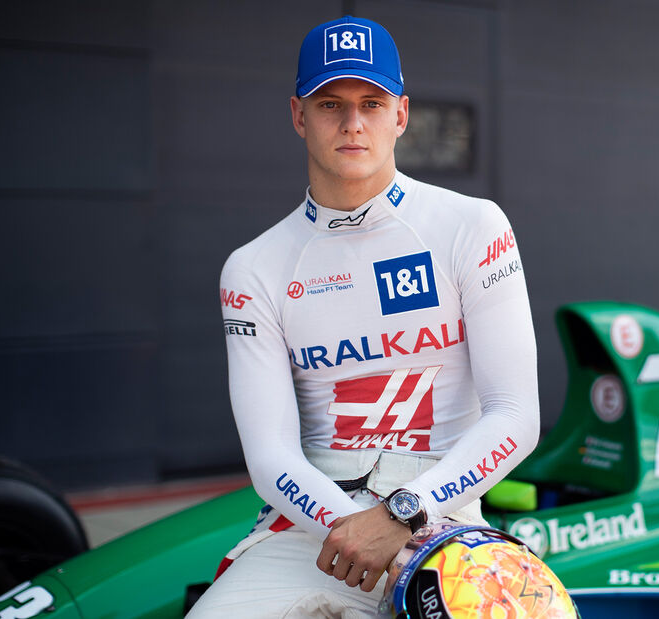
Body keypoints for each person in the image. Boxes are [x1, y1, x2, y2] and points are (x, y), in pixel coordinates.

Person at [188, 14, 539, 618]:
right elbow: (271, 458)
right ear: (299, 115)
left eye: (371, 103)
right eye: (331, 104)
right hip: (313, 528)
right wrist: (359, 527)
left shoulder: (474, 227)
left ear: (400, 115)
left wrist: (404, 513)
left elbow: (516, 417)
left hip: (446, 520)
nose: (353, 123)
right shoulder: (252, 269)